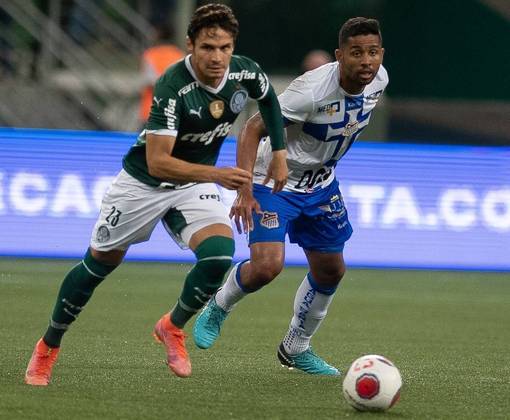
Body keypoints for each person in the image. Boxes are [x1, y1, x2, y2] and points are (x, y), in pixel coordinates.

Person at [24, 3, 287, 385]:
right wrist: (218, 173)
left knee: (218, 257)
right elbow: (159, 162)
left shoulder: (244, 70)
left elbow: (269, 101)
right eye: (208, 48)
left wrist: (278, 153)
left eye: (225, 48)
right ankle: (48, 346)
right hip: (142, 184)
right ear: (189, 45)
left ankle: (172, 326)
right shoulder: (172, 85)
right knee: (99, 265)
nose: (217, 57)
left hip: (193, 184)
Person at [194, 17, 388, 375]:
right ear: (339, 55)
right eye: (356, 53)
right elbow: (253, 128)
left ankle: (295, 348)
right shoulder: (310, 92)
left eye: (373, 52)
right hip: (275, 181)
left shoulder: (379, 80)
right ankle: (218, 305)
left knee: (332, 269)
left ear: (381, 54)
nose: (366, 61)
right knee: (267, 267)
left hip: (322, 184)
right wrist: (245, 188)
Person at [139, 23, 185, 128]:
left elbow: (149, 81)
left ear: (158, 34)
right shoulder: (179, 55)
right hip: (174, 111)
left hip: (151, 110)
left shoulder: (150, 54)